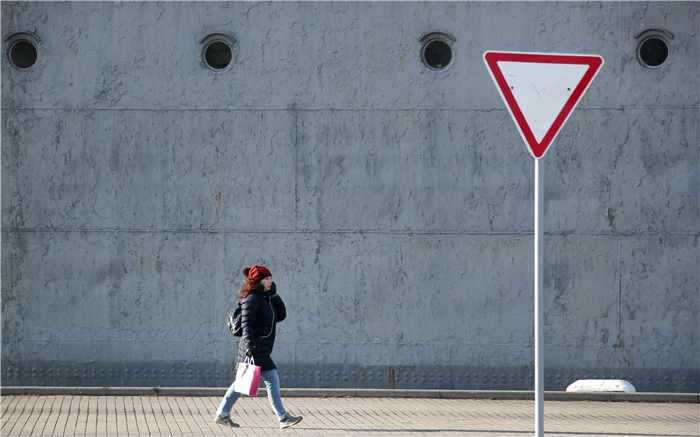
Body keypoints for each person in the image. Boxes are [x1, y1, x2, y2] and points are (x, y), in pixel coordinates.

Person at [214, 265, 303, 429]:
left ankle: (222, 413)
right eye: (267, 279)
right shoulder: (253, 298)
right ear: (258, 281)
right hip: (255, 347)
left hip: (261, 347)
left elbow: (281, 315)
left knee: (242, 383)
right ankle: (283, 417)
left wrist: (274, 295)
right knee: (271, 380)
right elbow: (247, 323)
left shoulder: (265, 298)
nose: (270, 281)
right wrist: (250, 344)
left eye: (270, 278)